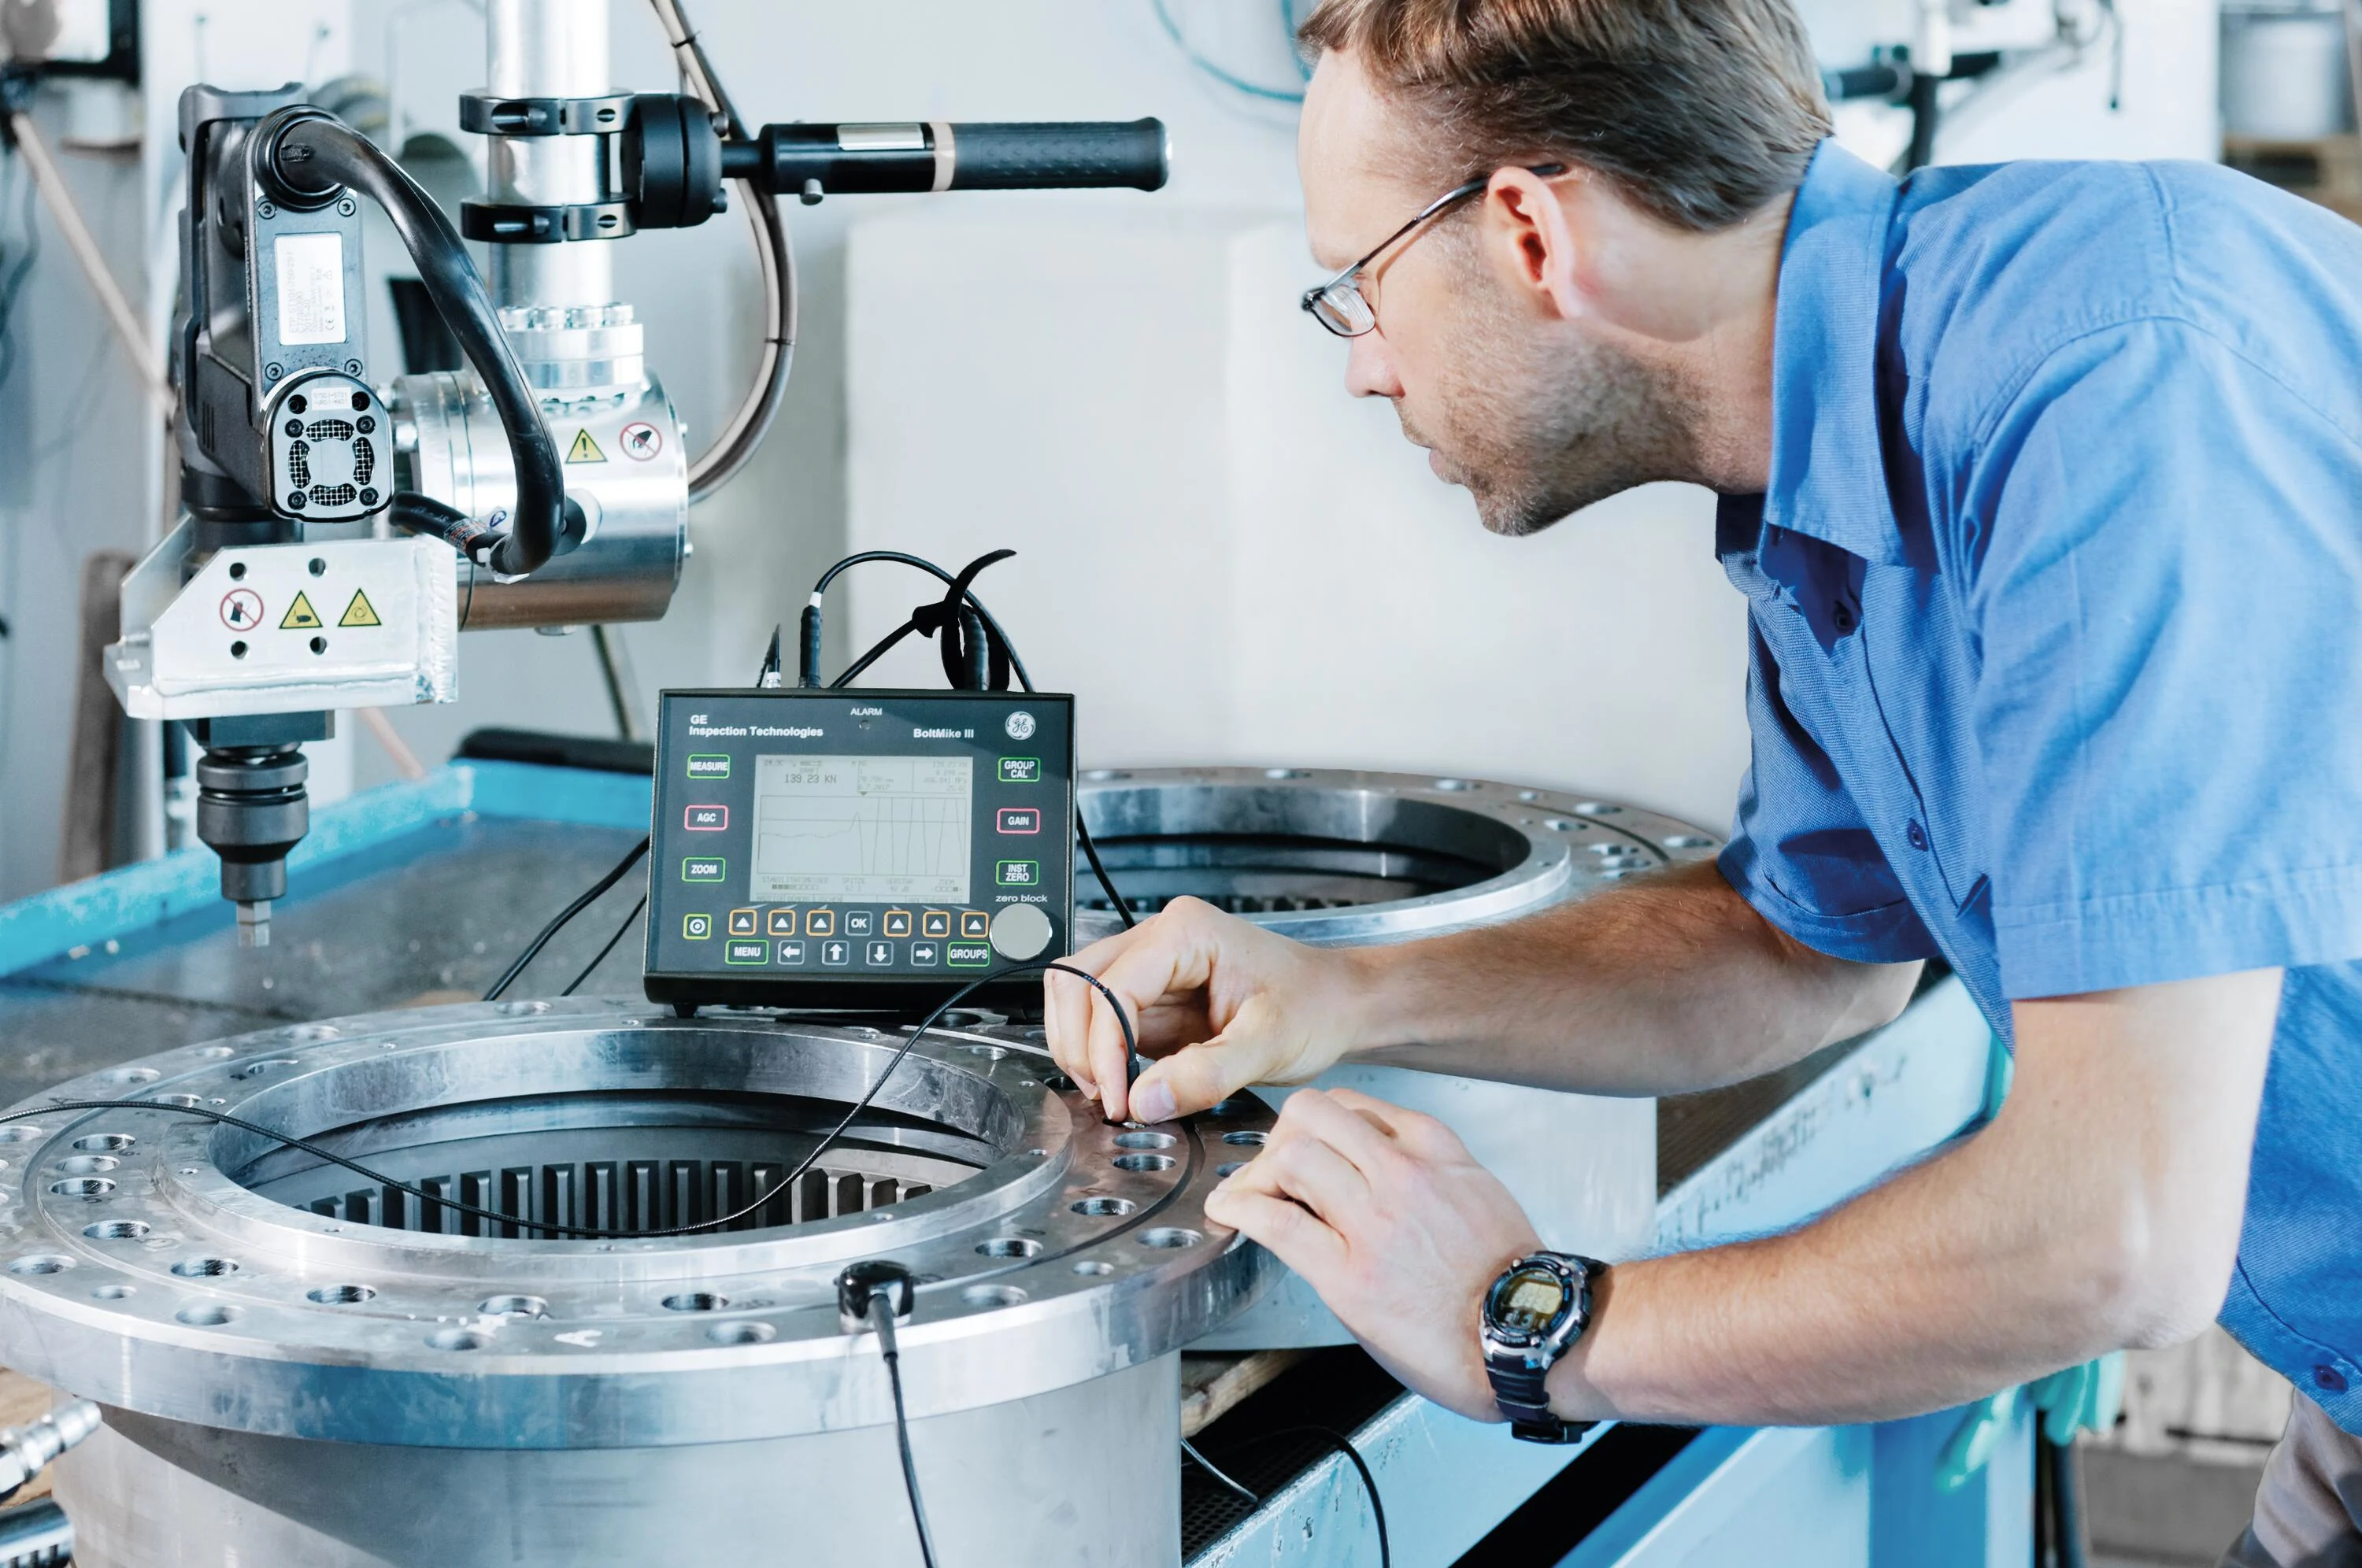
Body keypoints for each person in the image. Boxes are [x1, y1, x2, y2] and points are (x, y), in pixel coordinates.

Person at [1040, 1, 2362, 1559]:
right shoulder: (1831, 466)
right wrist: (1336, 993)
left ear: (1531, 230)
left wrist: (1525, 1326)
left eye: (1361, 288)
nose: (1366, 369)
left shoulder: (2111, 391)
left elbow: (2114, 1232)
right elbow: (1805, 953)